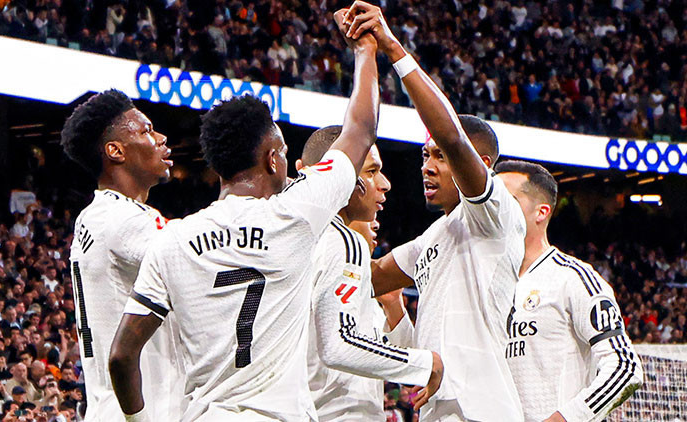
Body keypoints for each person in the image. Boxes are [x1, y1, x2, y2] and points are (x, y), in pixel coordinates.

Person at [108, 10, 404, 421]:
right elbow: (360, 129)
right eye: (282, 151)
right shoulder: (295, 215)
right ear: (272, 159)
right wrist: (365, 51)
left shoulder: (172, 240)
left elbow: (122, 356)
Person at [343, 2, 526, 420]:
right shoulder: (435, 236)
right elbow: (373, 277)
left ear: (481, 164)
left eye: (439, 156)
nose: (427, 166)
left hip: (483, 410)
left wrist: (392, 49)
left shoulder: (496, 212)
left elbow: (454, 136)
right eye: (425, 155)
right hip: (440, 410)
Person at [298, 126, 442, 421]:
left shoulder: (294, 239)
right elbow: (339, 347)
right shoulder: (342, 242)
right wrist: (425, 364)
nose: (385, 184)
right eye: (371, 172)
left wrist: (394, 305)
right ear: (339, 175)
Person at [60, 89, 183, 421]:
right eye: (146, 131)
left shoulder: (100, 215)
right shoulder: (121, 218)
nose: (161, 138)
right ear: (115, 151)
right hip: (141, 409)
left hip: (112, 408)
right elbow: (198, 259)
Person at [495, 160, 643, 421]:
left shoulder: (573, 278)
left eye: (508, 200)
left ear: (541, 212)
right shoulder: (486, 282)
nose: (496, 208)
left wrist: (565, 418)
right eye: (493, 200)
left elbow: (625, 368)